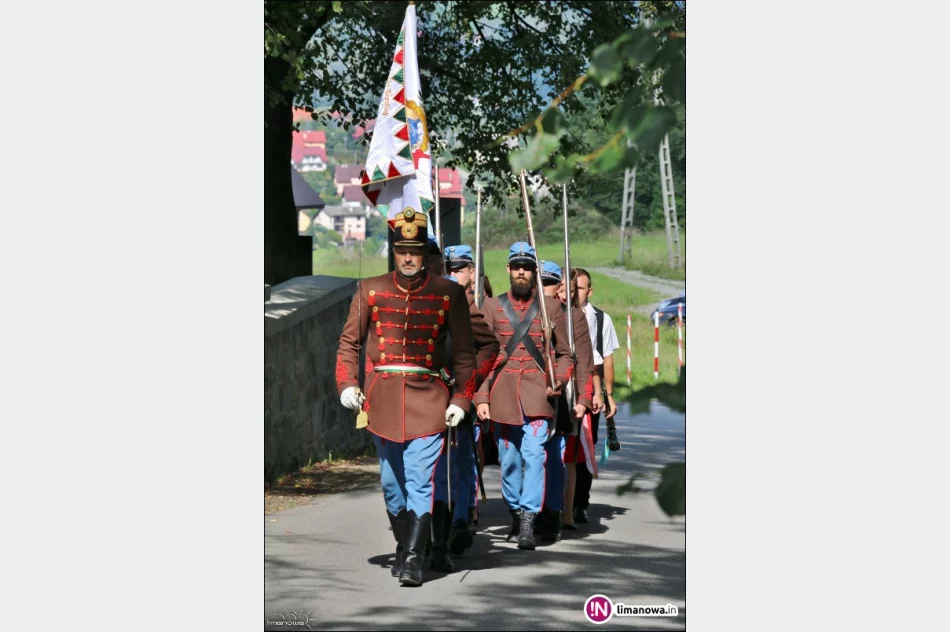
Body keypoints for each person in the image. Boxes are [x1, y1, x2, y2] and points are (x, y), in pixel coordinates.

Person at [335, 209, 477, 587]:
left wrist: (461, 400)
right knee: (391, 486)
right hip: (381, 401)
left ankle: (414, 559)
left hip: (429, 399)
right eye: (402, 250)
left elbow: (465, 355)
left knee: (420, 479)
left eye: (415, 250)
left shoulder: (448, 293)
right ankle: (403, 547)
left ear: (424, 252)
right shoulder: (370, 290)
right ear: (394, 252)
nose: (409, 258)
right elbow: (349, 342)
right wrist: (347, 382)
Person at [474, 242, 573, 550]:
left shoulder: (551, 308)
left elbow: (566, 354)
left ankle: (529, 519)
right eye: (516, 266)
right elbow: (482, 356)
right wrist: (481, 397)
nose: (521, 271)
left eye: (527, 267)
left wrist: (559, 380)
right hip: (502, 396)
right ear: (508, 269)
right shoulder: (491, 307)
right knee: (510, 461)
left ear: (533, 271)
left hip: (538, 394)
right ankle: (515, 511)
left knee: (535, 456)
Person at [432, 245, 500, 566]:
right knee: (435, 464)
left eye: (458, 270)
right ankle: (438, 523)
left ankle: (459, 519)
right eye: (449, 269)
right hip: (431, 397)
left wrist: (472, 381)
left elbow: (489, 345)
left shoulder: (465, 304)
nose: (453, 275)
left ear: (471, 271)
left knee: (460, 460)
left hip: (461, 395)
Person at [536, 261, 597, 543]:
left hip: (565, 393)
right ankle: (529, 511)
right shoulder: (524, 310)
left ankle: (555, 513)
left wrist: (585, 397)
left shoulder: (573, 316)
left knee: (559, 456)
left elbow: (584, 359)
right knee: (531, 455)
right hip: (530, 391)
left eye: (554, 284)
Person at [572, 267, 621, 525]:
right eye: (571, 287)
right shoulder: (560, 314)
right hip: (565, 390)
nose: (574, 292)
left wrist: (608, 394)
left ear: (589, 291)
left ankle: (581, 502)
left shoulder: (601, 319)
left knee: (585, 449)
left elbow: (608, 359)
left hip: (591, 392)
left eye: (579, 288)